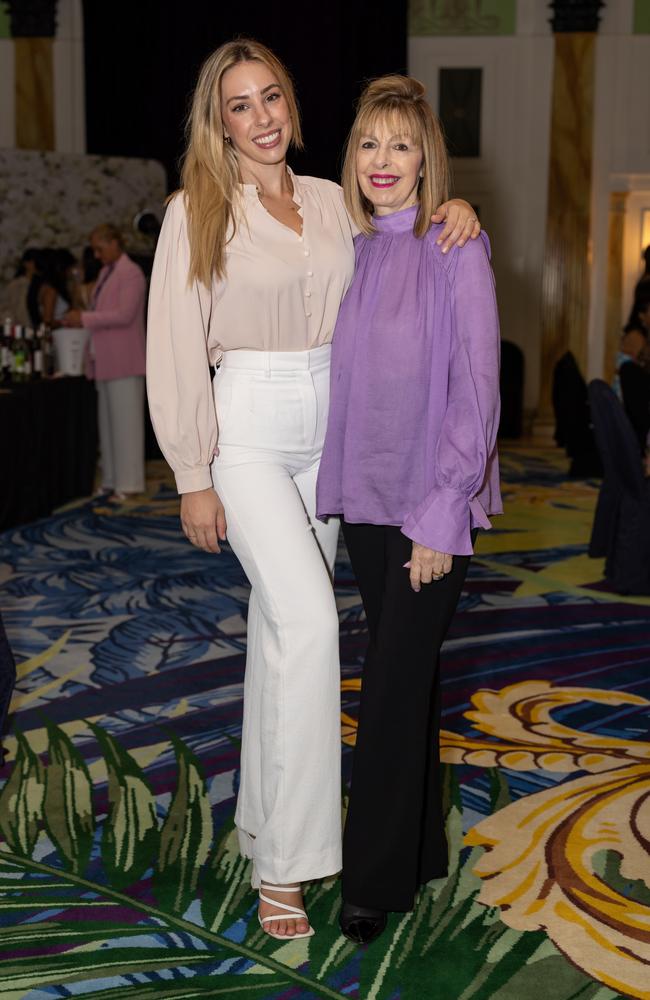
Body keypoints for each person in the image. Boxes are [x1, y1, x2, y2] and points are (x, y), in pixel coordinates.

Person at [146, 38, 481, 941]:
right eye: (240, 105)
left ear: (292, 106)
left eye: (272, 99)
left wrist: (456, 206)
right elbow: (173, 342)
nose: (260, 118)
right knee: (310, 621)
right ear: (218, 123)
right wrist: (191, 473)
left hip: (331, 432)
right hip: (247, 429)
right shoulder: (196, 211)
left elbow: (408, 246)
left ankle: (263, 830)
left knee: (276, 635)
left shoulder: (336, 202)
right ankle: (288, 868)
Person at [316, 75, 502, 944]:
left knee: (386, 692)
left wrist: (442, 509)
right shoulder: (351, 249)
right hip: (365, 504)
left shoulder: (455, 247)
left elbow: (477, 387)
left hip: (431, 508)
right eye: (367, 144)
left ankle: (373, 880)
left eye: (399, 144)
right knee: (407, 680)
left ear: (426, 156)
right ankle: (422, 847)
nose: (382, 161)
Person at [63, 224, 146, 501]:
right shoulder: (106, 274)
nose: (96, 255)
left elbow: (124, 315)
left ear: (114, 243)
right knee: (109, 425)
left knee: (127, 425)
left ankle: (130, 482)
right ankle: (112, 479)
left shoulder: (130, 272)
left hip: (125, 359)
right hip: (105, 359)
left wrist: (84, 319)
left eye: (99, 248)